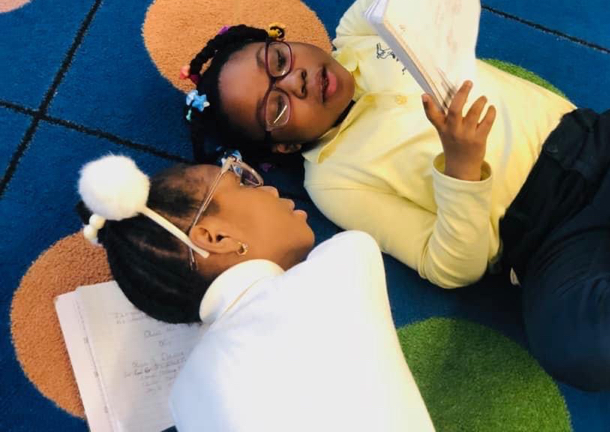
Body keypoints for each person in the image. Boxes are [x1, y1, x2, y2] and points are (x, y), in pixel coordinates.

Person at [180, 0, 610, 391]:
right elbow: (449, 267)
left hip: (609, 151)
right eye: (276, 108)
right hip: (547, 241)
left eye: (278, 60)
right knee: (586, 349)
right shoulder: (335, 181)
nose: (295, 80)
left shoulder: (361, 34)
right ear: (283, 147)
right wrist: (462, 168)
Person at [77, 153, 435, 431]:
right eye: (243, 183)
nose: (270, 189)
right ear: (215, 237)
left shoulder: (183, 400)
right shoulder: (345, 259)